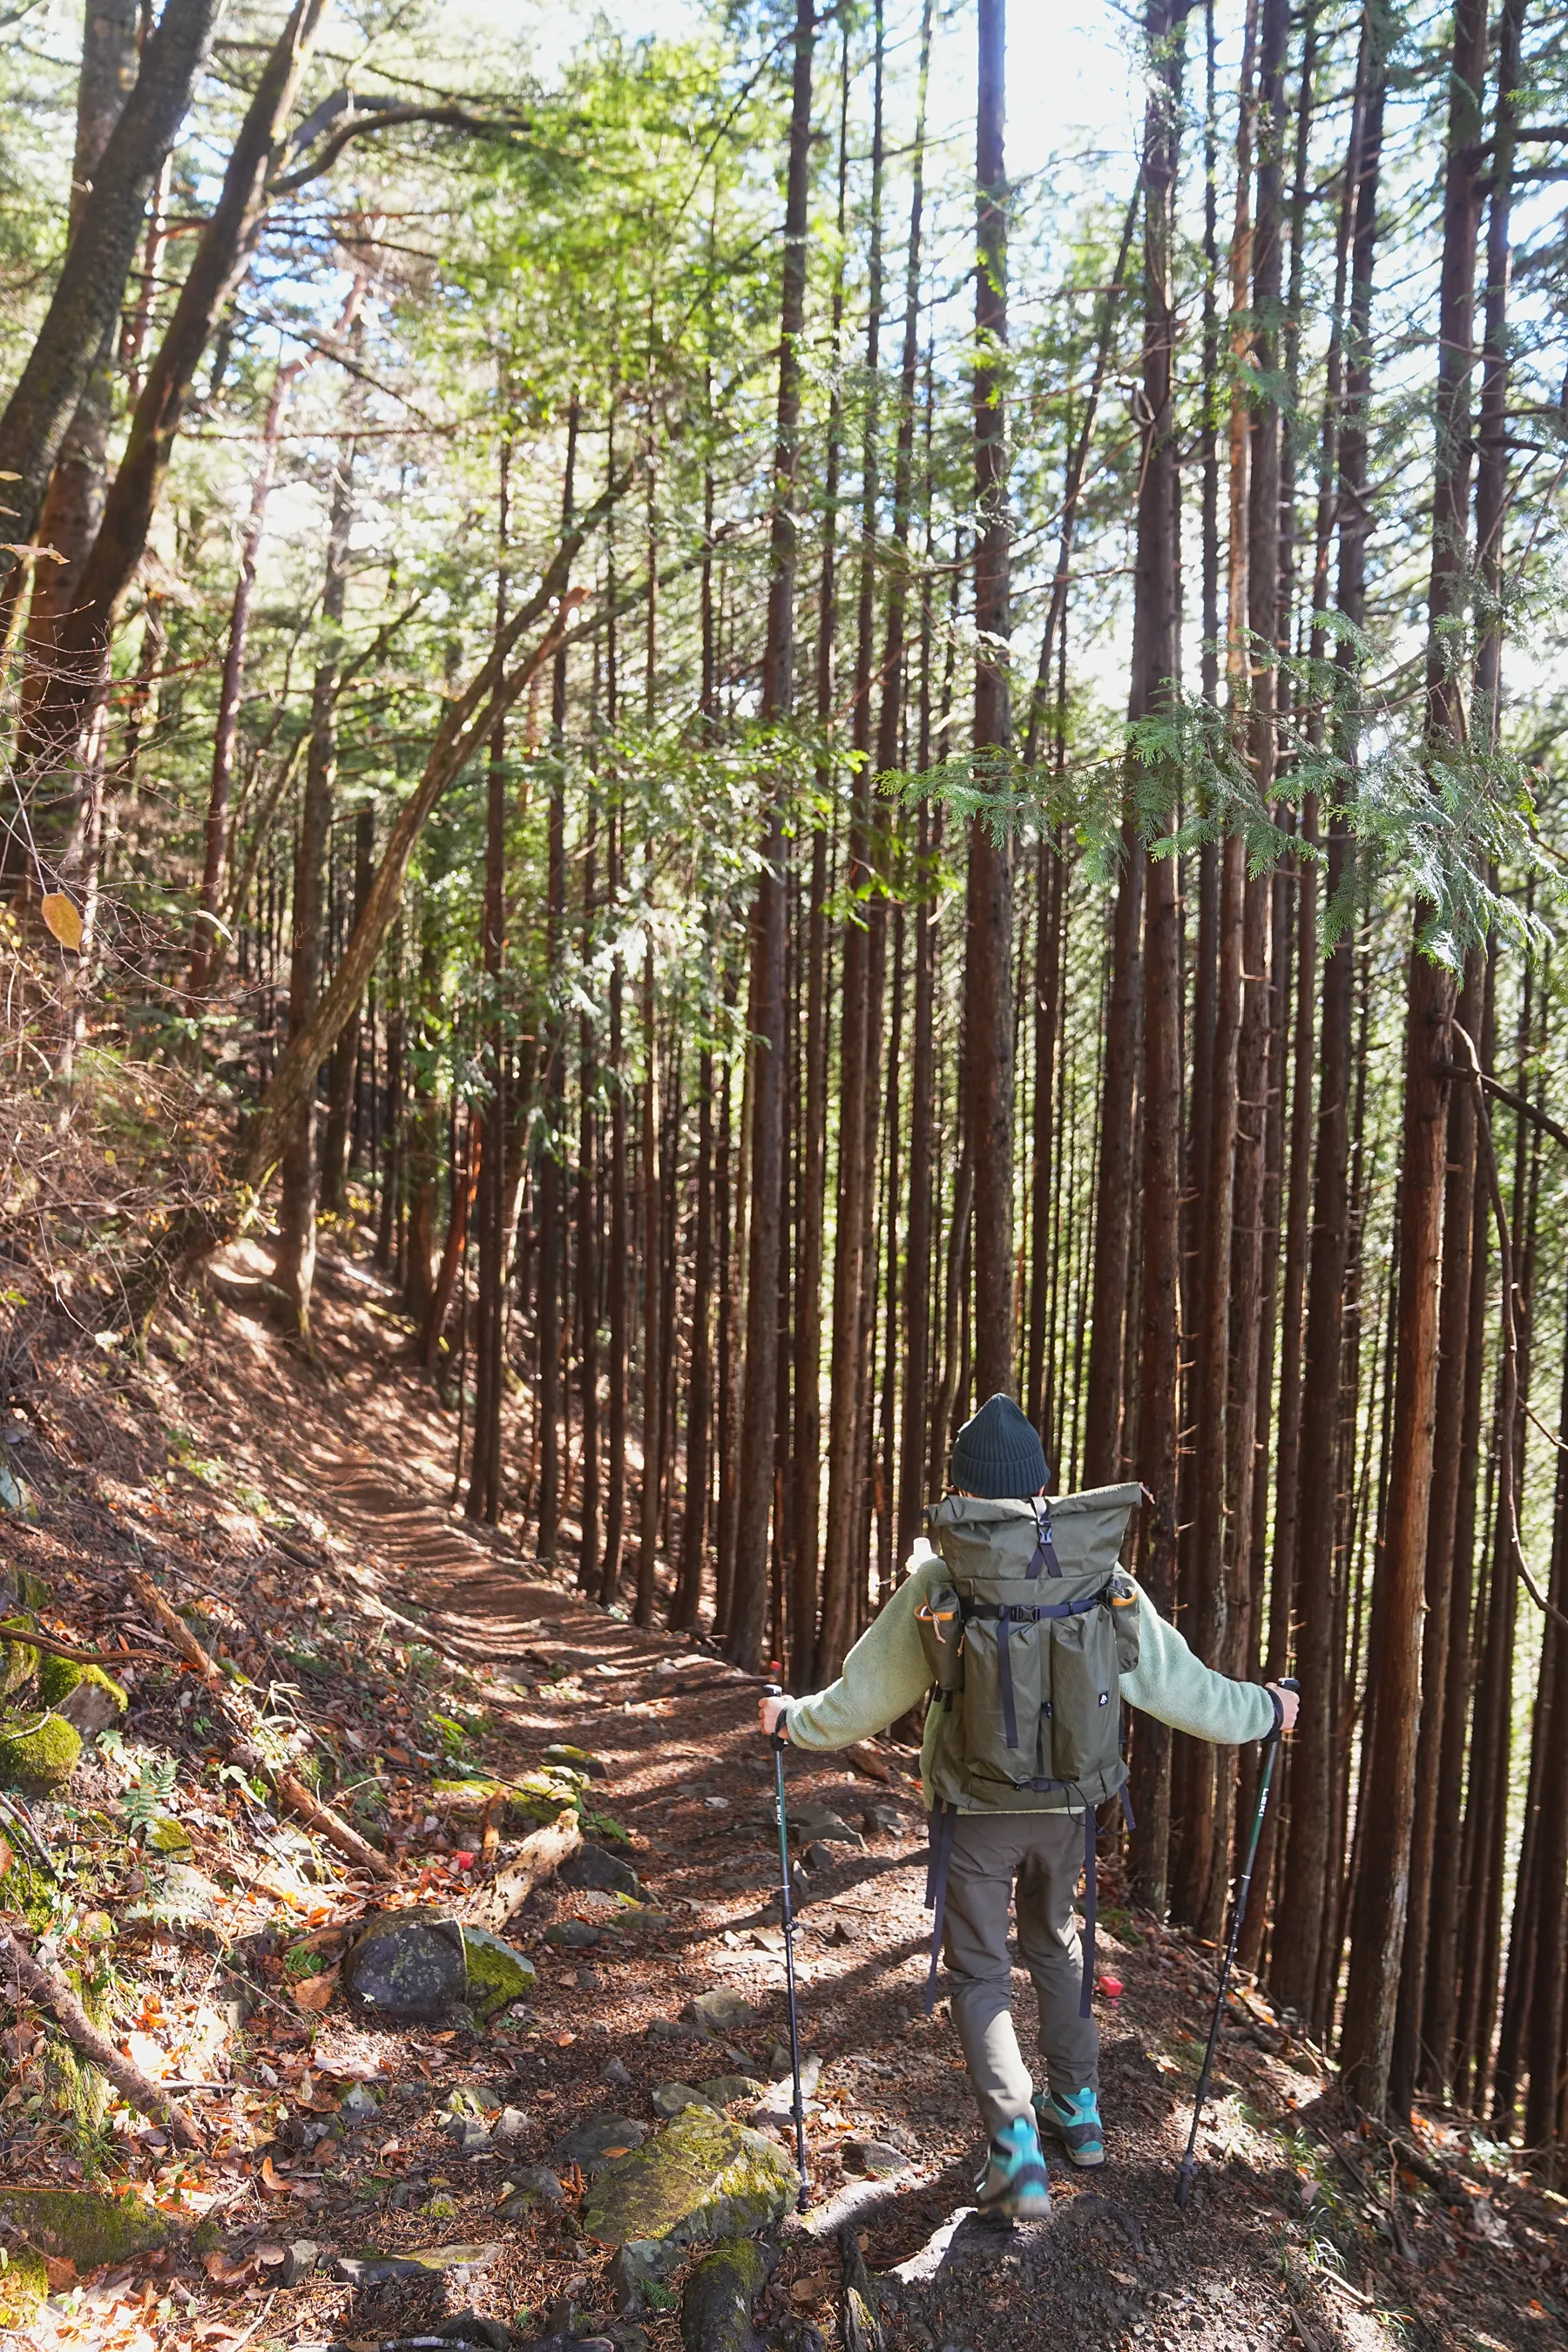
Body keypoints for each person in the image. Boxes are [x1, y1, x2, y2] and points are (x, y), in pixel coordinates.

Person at [759, 1391, 1297, 2222]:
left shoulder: (943, 1578)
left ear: (963, 1491)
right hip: (1071, 1810)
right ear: (1044, 1486)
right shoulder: (1102, 1576)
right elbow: (1184, 1690)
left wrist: (793, 1722)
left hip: (973, 1809)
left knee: (979, 1971)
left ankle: (1014, 2153)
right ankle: (1077, 2112)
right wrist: (1265, 1709)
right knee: (1057, 1942)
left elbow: (863, 1700)